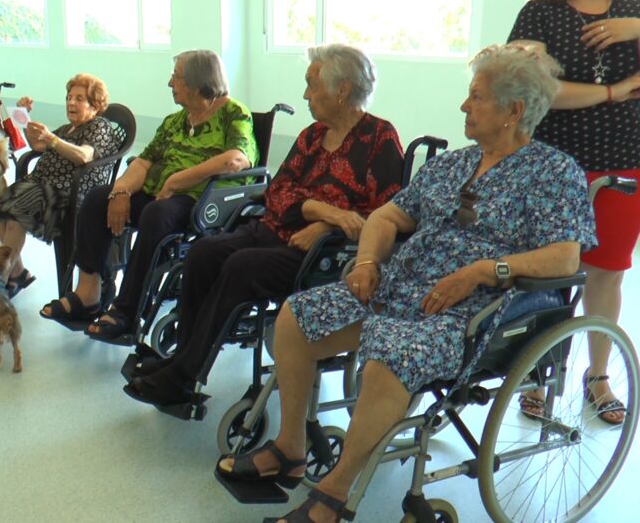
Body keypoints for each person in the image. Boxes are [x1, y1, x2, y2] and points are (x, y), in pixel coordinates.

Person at [216, 44, 598, 522]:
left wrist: (485, 269)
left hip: (470, 311)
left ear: (513, 111)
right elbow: (387, 215)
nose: (464, 106)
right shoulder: (454, 163)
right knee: (296, 316)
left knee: (388, 356)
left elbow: (565, 255)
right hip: (396, 287)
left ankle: (333, 495)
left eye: (476, 97)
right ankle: (291, 447)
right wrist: (367, 263)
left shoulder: (554, 172)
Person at [124, 44, 405, 407]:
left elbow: (385, 212)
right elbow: (278, 191)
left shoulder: (379, 140)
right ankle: (181, 359)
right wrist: (323, 210)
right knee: (204, 253)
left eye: (311, 85)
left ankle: (183, 374)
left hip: (319, 253)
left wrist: (325, 227)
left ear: (342, 90)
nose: (305, 94)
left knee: (241, 267)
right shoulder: (312, 135)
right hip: (274, 229)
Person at [508, 0, 640, 425]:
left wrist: (639, 30)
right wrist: (612, 91)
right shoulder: (540, 13)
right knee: (551, 271)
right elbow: (535, 92)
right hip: (554, 164)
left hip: (628, 162)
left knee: (607, 272)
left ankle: (597, 375)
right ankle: (540, 375)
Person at [40, 49, 259, 340]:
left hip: (203, 199)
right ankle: (88, 294)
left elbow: (236, 159)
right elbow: (144, 161)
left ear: (197, 81)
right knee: (97, 199)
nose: (170, 83)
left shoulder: (233, 113)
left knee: (156, 214)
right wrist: (120, 191)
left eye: (176, 77)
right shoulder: (175, 121)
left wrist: (178, 180)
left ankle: (127, 310)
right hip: (162, 194)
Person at [0, 73, 126, 297]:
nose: (71, 102)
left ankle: (0, 280)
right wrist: (23, 116)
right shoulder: (67, 129)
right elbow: (37, 144)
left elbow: (84, 156)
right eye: (69, 97)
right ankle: (17, 272)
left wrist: (52, 140)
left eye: (79, 98)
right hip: (40, 184)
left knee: (15, 216)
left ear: (95, 105)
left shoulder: (99, 127)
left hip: (66, 193)